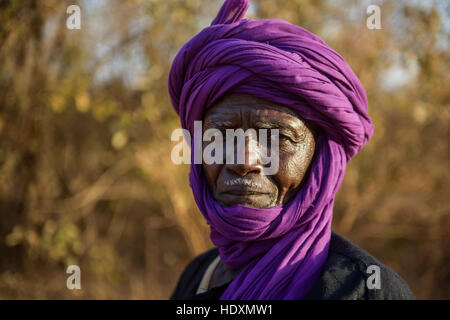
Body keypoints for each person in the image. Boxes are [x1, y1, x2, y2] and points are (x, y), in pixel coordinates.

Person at [167, 0, 414, 300]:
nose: (244, 161)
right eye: (219, 134)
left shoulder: (365, 291)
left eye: (278, 138)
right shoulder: (197, 276)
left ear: (322, 157)